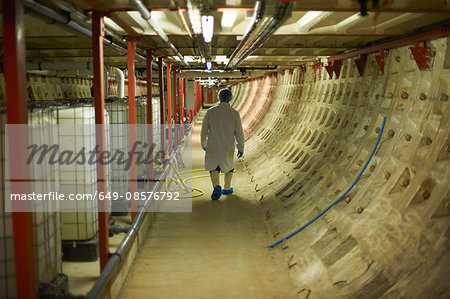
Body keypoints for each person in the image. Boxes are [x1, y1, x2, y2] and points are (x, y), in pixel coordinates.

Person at [201, 88, 244, 200]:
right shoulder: (234, 113)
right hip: (228, 145)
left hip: (213, 144)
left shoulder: (211, 111)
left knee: (213, 166)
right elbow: (239, 132)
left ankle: (216, 186)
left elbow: (204, 129)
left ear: (219, 98)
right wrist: (240, 147)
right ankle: (226, 188)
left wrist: (204, 144)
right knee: (229, 166)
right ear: (230, 98)